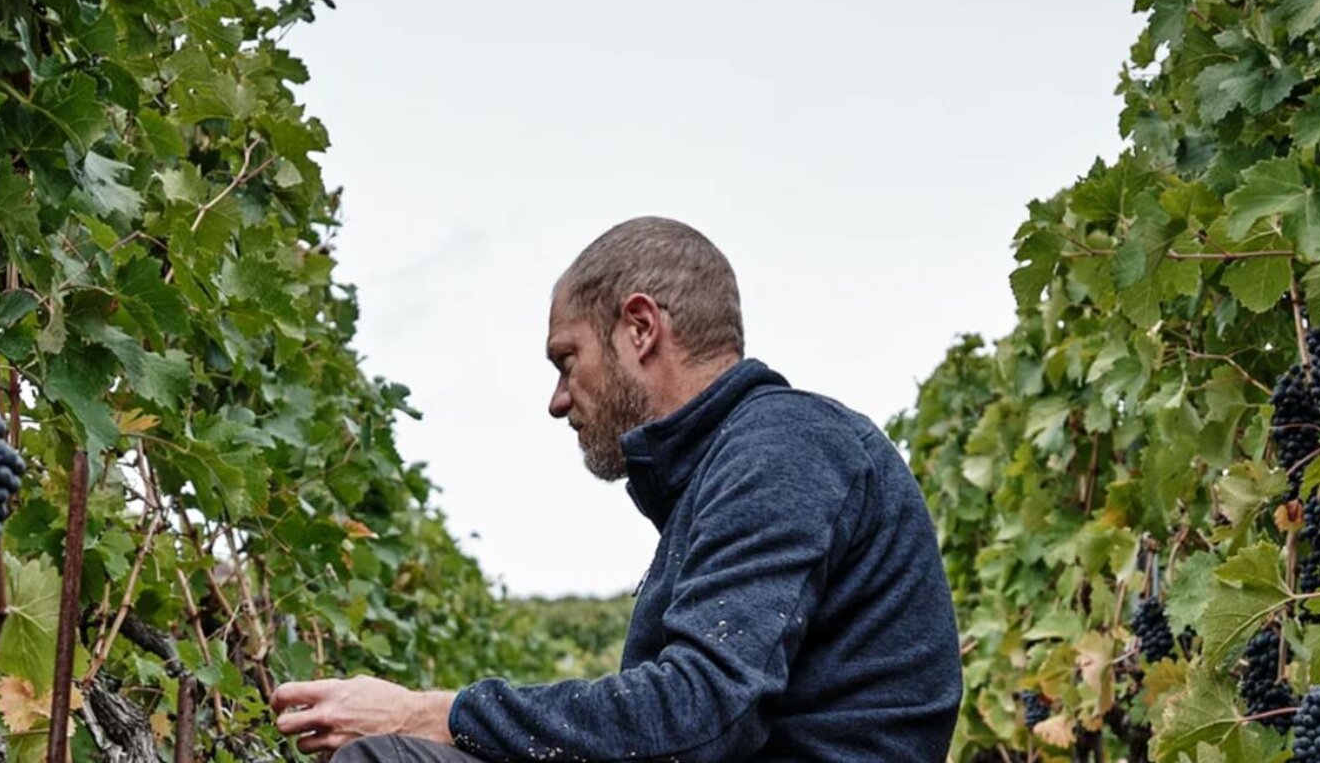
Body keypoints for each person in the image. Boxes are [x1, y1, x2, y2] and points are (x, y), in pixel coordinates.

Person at [269, 217, 962, 761]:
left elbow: (698, 717)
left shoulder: (782, 450)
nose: (559, 399)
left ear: (639, 328)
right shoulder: (732, 466)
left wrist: (429, 713)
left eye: (567, 360)